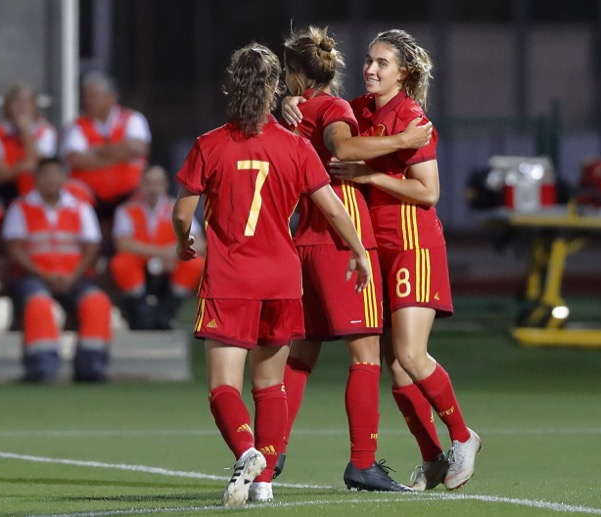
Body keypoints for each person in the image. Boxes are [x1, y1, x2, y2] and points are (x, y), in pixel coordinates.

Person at [172, 43, 371, 508]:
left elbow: (184, 212)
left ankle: (246, 453)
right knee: (270, 386)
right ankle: (264, 483)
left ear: (231, 85)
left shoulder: (211, 143)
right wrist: (359, 251)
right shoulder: (297, 147)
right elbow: (333, 208)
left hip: (230, 280)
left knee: (224, 386)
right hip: (282, 280)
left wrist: (184, 240)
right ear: (275, 88)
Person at [289, 29, 482, 491]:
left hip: (413, 244)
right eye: (370, 60)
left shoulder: (411, 116)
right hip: (378, 247)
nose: (371, 69)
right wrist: (289, 106)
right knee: (396, 367)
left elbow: (428, 191)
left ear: (405, 73)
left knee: (411, 356)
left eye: (383, 63)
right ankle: (433, 457)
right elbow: (328, 127)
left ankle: (463, 437)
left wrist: (372, 172)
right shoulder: (357, 109)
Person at [277, 25, 432, 493]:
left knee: (300, 356)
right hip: (343, 239)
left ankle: (269, 455)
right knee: (366, 356)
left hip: (303, 239)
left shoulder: (291, 113)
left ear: (296, 76)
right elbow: (343, 147)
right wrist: (402, 142)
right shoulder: (334, 108)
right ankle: (362, 463)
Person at [2, 157, 112, 383]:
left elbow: (91, 247)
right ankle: (41, 367)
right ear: (36, 179)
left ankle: (92, 367)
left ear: (65, 178)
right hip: (34, 276)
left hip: (75, 276)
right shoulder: (20, 207)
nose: (51, 180)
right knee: (38, 303)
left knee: (97, 302)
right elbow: (14, 249)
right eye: (46, 174)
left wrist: (72, 276)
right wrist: (45, 275)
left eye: (56, 174)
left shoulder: (81, 207)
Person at [109, 165, 205, 330]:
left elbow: (200, 243)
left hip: (171, 264)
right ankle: (140, 310)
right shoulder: (127, 209)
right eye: (148, 183)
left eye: (157, 183)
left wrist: (175, 252)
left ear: (165, 185)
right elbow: (122, 243)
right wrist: (162, 253)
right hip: (141, 263)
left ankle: (167, 310)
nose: (153, 188)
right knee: (121, 263)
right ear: (141, 184)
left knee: (195, 263)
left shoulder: (177, 207)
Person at [0, 83, 60, 250]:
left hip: (32, 189)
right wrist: (21, 167)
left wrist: (26, 133)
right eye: (17, 102)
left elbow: (41, 167)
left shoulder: (45, 131)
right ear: (8, 107)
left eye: (27, 102)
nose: (22, 108)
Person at [63, 71, 151, 232]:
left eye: (93, 97)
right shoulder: (77, 125)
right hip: (92, 197)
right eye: (85, 97)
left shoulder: (133, 119)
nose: (87, 102)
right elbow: (75, 159)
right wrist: (120, 155)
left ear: (110, 97)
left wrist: (96, 152)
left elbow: (136, 148)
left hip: (129, 193)